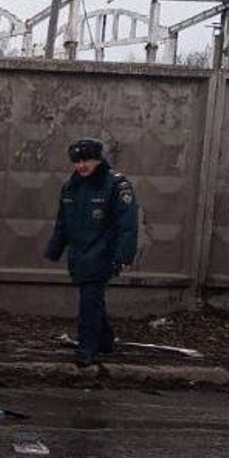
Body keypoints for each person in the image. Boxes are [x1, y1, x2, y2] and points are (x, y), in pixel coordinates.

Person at [44, 136, 140, 365]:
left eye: (87, 160)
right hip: (79, 254)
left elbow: (127, 225)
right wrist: (54, 249)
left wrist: (124, 256)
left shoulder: (116, 185)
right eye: (77, 161)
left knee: (89, 300)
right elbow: (63, 222)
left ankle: (87, 350)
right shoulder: (71, 187)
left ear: (98, 159)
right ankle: (105, 341)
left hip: (102, 254)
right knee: (93, 299)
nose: (81, 166)